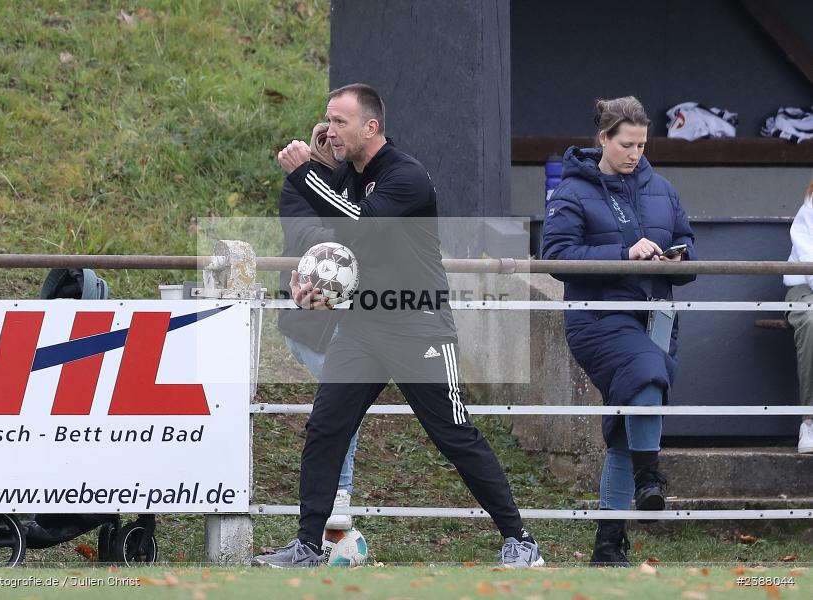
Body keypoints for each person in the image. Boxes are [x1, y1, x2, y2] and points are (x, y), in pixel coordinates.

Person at [252, 83, 544, 568]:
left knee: (454, 434)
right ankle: (307, 545)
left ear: (371, 127)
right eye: (328, 120)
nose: (329, 130)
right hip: (363, 327)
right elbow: (335, 242)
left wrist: (306, 173)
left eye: (341, 122)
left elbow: (361, 224)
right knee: (326, 427)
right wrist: (313, 282)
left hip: (420, 326)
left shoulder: (407, 176)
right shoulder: (343, 176)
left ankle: (520, 540)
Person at [541, 96, 696, 567]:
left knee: (629, 425)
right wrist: (625, 254)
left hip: (656, 318)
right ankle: (651, 478)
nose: (635, 154)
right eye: (627, 145)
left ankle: (608, 549)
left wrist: (679, 259)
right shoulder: (571, 192)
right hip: (598, 319)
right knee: (646, 378)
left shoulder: (663, 189)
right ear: (603, 139)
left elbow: (688, 246)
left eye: (642, 145)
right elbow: (555, 258)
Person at [277, 122, 358, 529]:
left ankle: (334, 503)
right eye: (325, 135)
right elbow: (310, 238)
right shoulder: (299, 184)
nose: (332, 143)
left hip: (366, 318)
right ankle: (337, 493)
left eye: (340, 132)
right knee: (342, 392)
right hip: (310, 322)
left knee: (343, 394)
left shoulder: (369, 179)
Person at [783, 175, 813, 454]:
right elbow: (808, 260)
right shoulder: (810, 207)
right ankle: (810, 421)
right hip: (805, 288)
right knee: (812, 320)